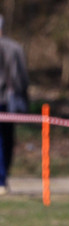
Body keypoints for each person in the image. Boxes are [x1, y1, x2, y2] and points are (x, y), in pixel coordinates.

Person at [0, 14, 28, 195]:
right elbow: (23, 78)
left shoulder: (12, 48)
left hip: (4, 100)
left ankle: (1, 178)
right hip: (8, 102)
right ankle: (3, 177)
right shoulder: (16, 48)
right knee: (7, 139)